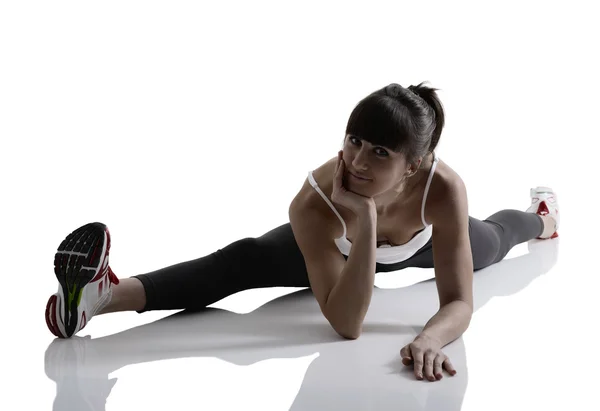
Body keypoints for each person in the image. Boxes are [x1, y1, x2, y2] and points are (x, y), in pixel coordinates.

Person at [45, 81, 560, 379]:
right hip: (339, 243)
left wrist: (430, 337)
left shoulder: (443, 188)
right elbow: (346, 324)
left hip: (418, 244)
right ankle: (99, 298)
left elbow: (460, 303)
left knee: (494, 239)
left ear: (415, 164)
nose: (357, 161)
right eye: (354, 140)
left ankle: (541, 216)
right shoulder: (315, 200)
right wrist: (364, 219)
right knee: (241, 259)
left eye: (380, 152)